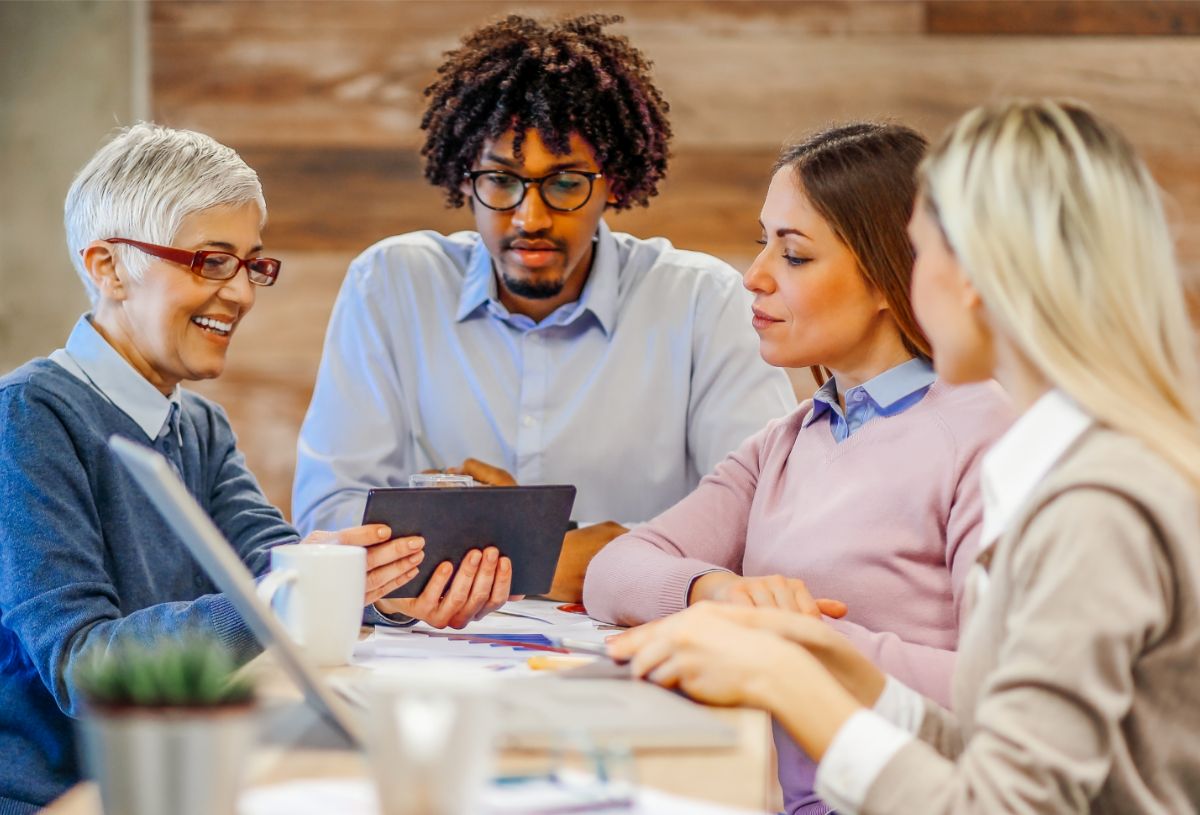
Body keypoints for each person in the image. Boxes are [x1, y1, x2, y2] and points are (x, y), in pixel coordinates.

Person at [612, 100, 1200, 813]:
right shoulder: (1065, 470)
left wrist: (793, 675)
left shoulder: (1092, 503)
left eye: (924, 254)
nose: (912, 279)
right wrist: (803, 651)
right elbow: (991, 740)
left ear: (978, 277)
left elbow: (1003, 804)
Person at [0, 124, 505, 812]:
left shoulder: (198, 426)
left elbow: (274, 558)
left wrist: (382, 586)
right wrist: (287, 594)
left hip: (179, 781)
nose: (241, 294)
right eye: (211, 261)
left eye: (251, 264)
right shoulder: (27, 417)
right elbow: (86, 666)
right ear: (108, 267)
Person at [583, 122, 1014, 814]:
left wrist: (802, 643)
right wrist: (717, 593)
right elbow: (613, 569)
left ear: (886, 274)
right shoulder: (790, 436)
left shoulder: (984, 434)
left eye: (794, 255)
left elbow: (1004, 694)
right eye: (763, 243)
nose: (753, 276)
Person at [291, 14, 796, 602]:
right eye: (501, 181)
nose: (529, 217)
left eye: (563, 184)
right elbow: (330, 514)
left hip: (639, 651)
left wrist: (571, 557)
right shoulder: (391, 285)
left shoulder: (700, 301)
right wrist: (525, 542)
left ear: (615, 184)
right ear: (466, 177)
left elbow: (761, 519)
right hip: (428, 653)